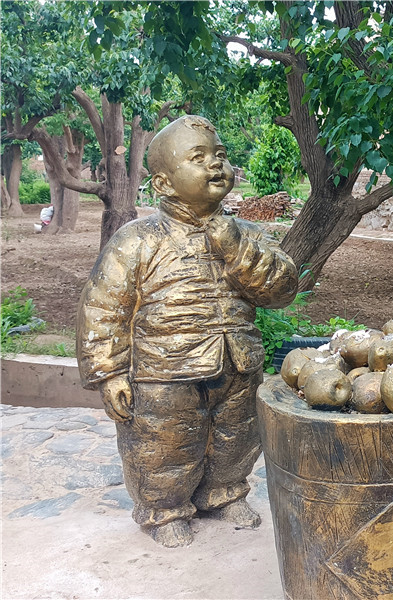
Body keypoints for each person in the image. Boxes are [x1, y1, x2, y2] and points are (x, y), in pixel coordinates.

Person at [77, 115, 298, 547]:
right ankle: (164, 509)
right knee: (164, 445)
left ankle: (224, 492)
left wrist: (234, 245)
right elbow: (103, 308)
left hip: (237, 362)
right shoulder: (137, 239)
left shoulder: (248, 235)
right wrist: (109, 373)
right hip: (163, 373)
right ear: (163, 184)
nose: (216, 164)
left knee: (237, 437)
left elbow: (281, 289)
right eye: (198, 158)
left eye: (220, 155)